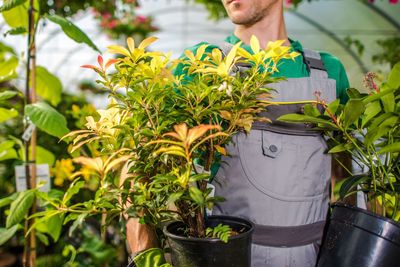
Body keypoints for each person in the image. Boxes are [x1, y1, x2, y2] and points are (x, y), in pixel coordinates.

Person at [126, 0, 349, 266]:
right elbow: (141, 165)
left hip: (312, 256)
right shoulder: (203, 63)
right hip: (222, 256)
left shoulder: (328, 71)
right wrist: (145, 257)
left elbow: (349, 177)